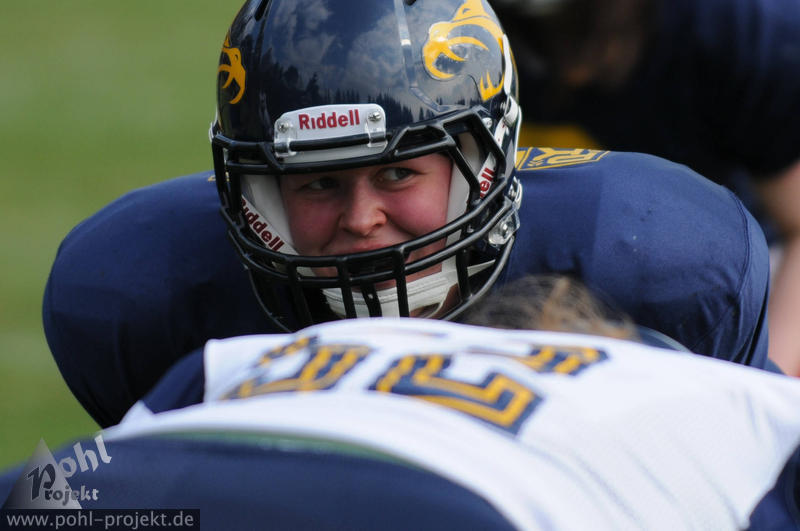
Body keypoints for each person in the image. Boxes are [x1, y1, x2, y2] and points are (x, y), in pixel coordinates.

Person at [42, 0, 772, 429]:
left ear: (485, 162)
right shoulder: (143, 293)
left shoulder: (649, 257)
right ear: (255, 192)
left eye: (397, 172)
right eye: (318, 184)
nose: (362, 218)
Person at [4, 276, 799, 529]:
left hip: (109, 484)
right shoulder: (726, 398)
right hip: (447, 499)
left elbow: (103, 464)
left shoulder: (285, 348)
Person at [490, 0, 800, 374]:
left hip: (707, 280)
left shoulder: (735, 30)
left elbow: (798, 226)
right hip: (511, 269)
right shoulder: (459, 32)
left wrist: (754, 385)